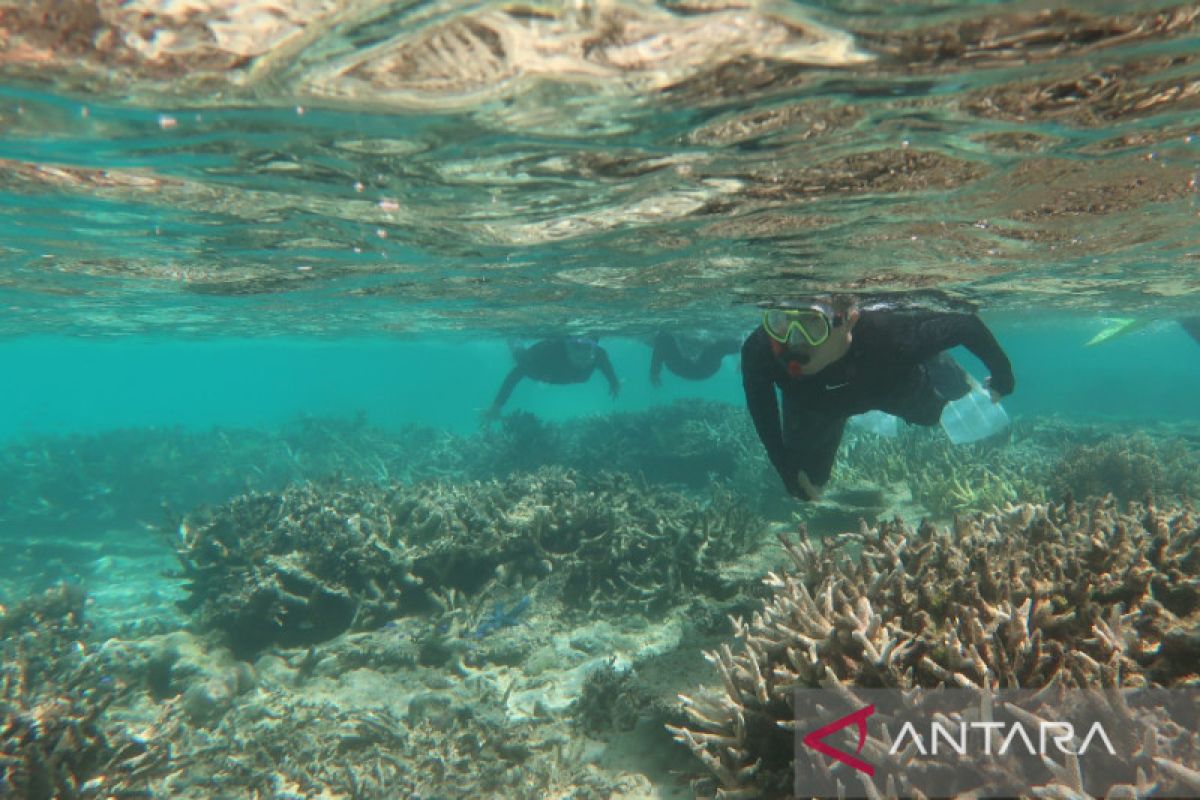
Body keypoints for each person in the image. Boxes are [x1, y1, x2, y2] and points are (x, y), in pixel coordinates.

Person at [741, 296, 1015, 500]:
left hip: (889, 381)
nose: (794, 342)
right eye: (781, 323)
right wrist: (784, 466)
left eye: (813, 324)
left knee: (931, 415)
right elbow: (761, 406)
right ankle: (839, 420)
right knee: (808, 483)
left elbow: (963, 323)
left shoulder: (889, 333)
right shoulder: (762, 350)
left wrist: (1002, 375)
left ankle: (934, 361)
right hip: (818, 405)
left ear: (848, 319)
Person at [484, 336, 620, 420]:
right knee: (519, 355)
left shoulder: (598, 355)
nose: (583, 351)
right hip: (539, 370)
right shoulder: (546, 353)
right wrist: (497, 405)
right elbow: (515, 375)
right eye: (576, 344)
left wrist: (614, 383)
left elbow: (607, 368)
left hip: (555, 374)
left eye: (589, 345)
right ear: (566, 343)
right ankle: (513, 338)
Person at [649, 331, 740, 386]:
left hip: (699, 370)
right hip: (699, 371)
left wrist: (654, 372)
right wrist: (654, 372)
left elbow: (660, 348)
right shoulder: (666, 341)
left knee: (663, 339)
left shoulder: (666, 342)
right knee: (718, 348)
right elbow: (660, 347)